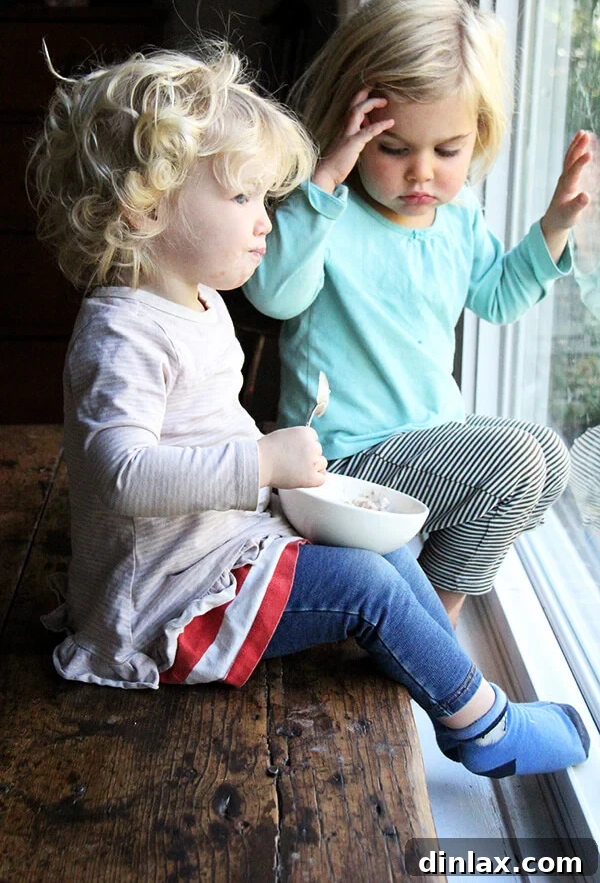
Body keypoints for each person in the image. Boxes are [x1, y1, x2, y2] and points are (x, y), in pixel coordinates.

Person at [29, 43, 589, 780]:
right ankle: (482, 726)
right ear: (146, 205)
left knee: (381, 554)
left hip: (218, 549)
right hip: (167, 607)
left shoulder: (191, 304)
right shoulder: (121, 332)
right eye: (241, 199)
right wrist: (262, 460)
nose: (264, 224)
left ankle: (448, 677)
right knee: (363, 587)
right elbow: (118, 476)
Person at [243, 0, 594, 626]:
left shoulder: (457, 219)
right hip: (337, 464)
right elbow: (273, 293)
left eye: (448, 151)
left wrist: (557, 223)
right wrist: (324, 179)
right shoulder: (330, 213)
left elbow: (497, 297)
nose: (422, 173)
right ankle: (433, 623)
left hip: (422, 454)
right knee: (516, 458)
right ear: (351, 129)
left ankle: (419, 611)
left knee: (548, 454)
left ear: (479, 135)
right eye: (395, 148)